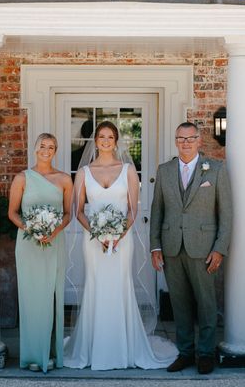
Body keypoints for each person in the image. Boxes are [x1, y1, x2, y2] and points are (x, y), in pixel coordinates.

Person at [63, 121, 178, 370]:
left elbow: (133, 209)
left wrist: (116, 235)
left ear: (116, 141)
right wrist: (98, 233)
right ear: (95, 141)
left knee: (119, 287)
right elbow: (79, 210)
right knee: (96, 288)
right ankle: (92, 348)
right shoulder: (84, 172)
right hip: (93, 242)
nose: (105, 140)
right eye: (101, 136)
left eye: (110, 136)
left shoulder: (127, 170)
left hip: (122, 242)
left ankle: (124, 347)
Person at [149, 122, 233, 375]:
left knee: (206, 304)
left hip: (204, 248)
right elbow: (157, 211)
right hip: (172, 246)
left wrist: (220, 248)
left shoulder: (216, 170)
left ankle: (205, 354)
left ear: (199, 141)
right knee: (180, 303)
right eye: (180, 138)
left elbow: (226, 214)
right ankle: (185, 353)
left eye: (190, 138)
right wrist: (155, 246)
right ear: (176, 141)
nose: (185, 142)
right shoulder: (164, 171)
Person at [8, 133, 73, 373]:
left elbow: (68, 214)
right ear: (35, 149)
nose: (46, 150)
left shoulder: (64, 179)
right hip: (28, 244)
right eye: (42, 146)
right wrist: (31, 229)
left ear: (56, 151)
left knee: (52, 296)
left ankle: (52, 352)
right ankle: (34, 355)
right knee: (32, 297)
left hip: (55, 242)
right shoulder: (22, 178)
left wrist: (54, 231)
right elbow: (12, 213)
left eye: (51, 147)